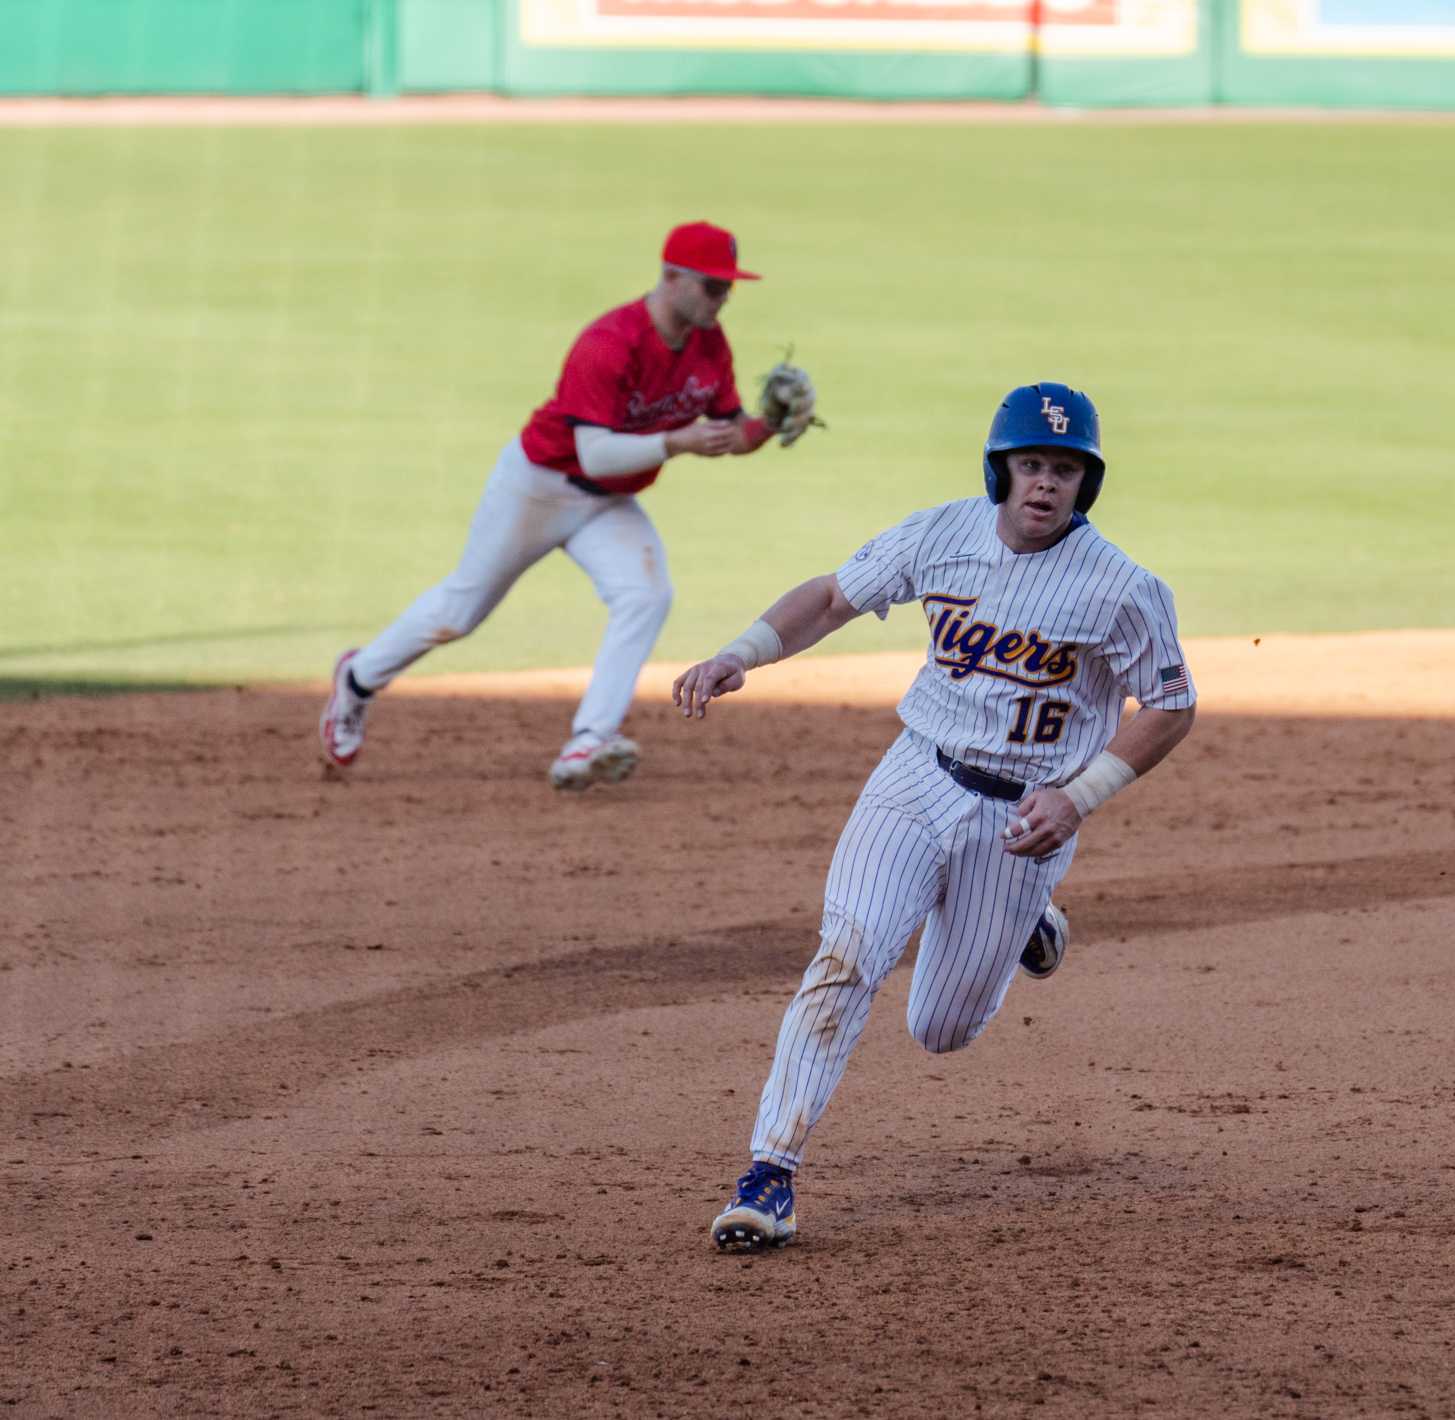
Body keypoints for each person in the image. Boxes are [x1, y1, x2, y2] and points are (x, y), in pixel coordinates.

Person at [670, 382, 1196, 1252]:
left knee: (940, 1028)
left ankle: (1030, 915)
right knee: (846, 957)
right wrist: (741, 653)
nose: (1045, 485)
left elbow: (1171, 704)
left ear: (1085, 484)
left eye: (1065, 470)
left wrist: (1079, 796)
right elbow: (834, 596)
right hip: (915, 779)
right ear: (1002, 469)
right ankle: (770, 1175)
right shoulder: (941, 533)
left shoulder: (1121, 590)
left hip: (1024, 819)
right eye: (1031, 464)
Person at [317, 220, 819, 789]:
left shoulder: (710, 347)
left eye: (727, 287)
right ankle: (356, 680)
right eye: (711, 286)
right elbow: (595, 453)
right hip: (539, 485)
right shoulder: (609, 342)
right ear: (672, 277)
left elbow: (732, 434)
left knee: (646, 595)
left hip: (607, 505)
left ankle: (589, 742)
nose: (722, 298)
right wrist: (675, 442)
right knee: (460, 612)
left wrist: (768, 424)